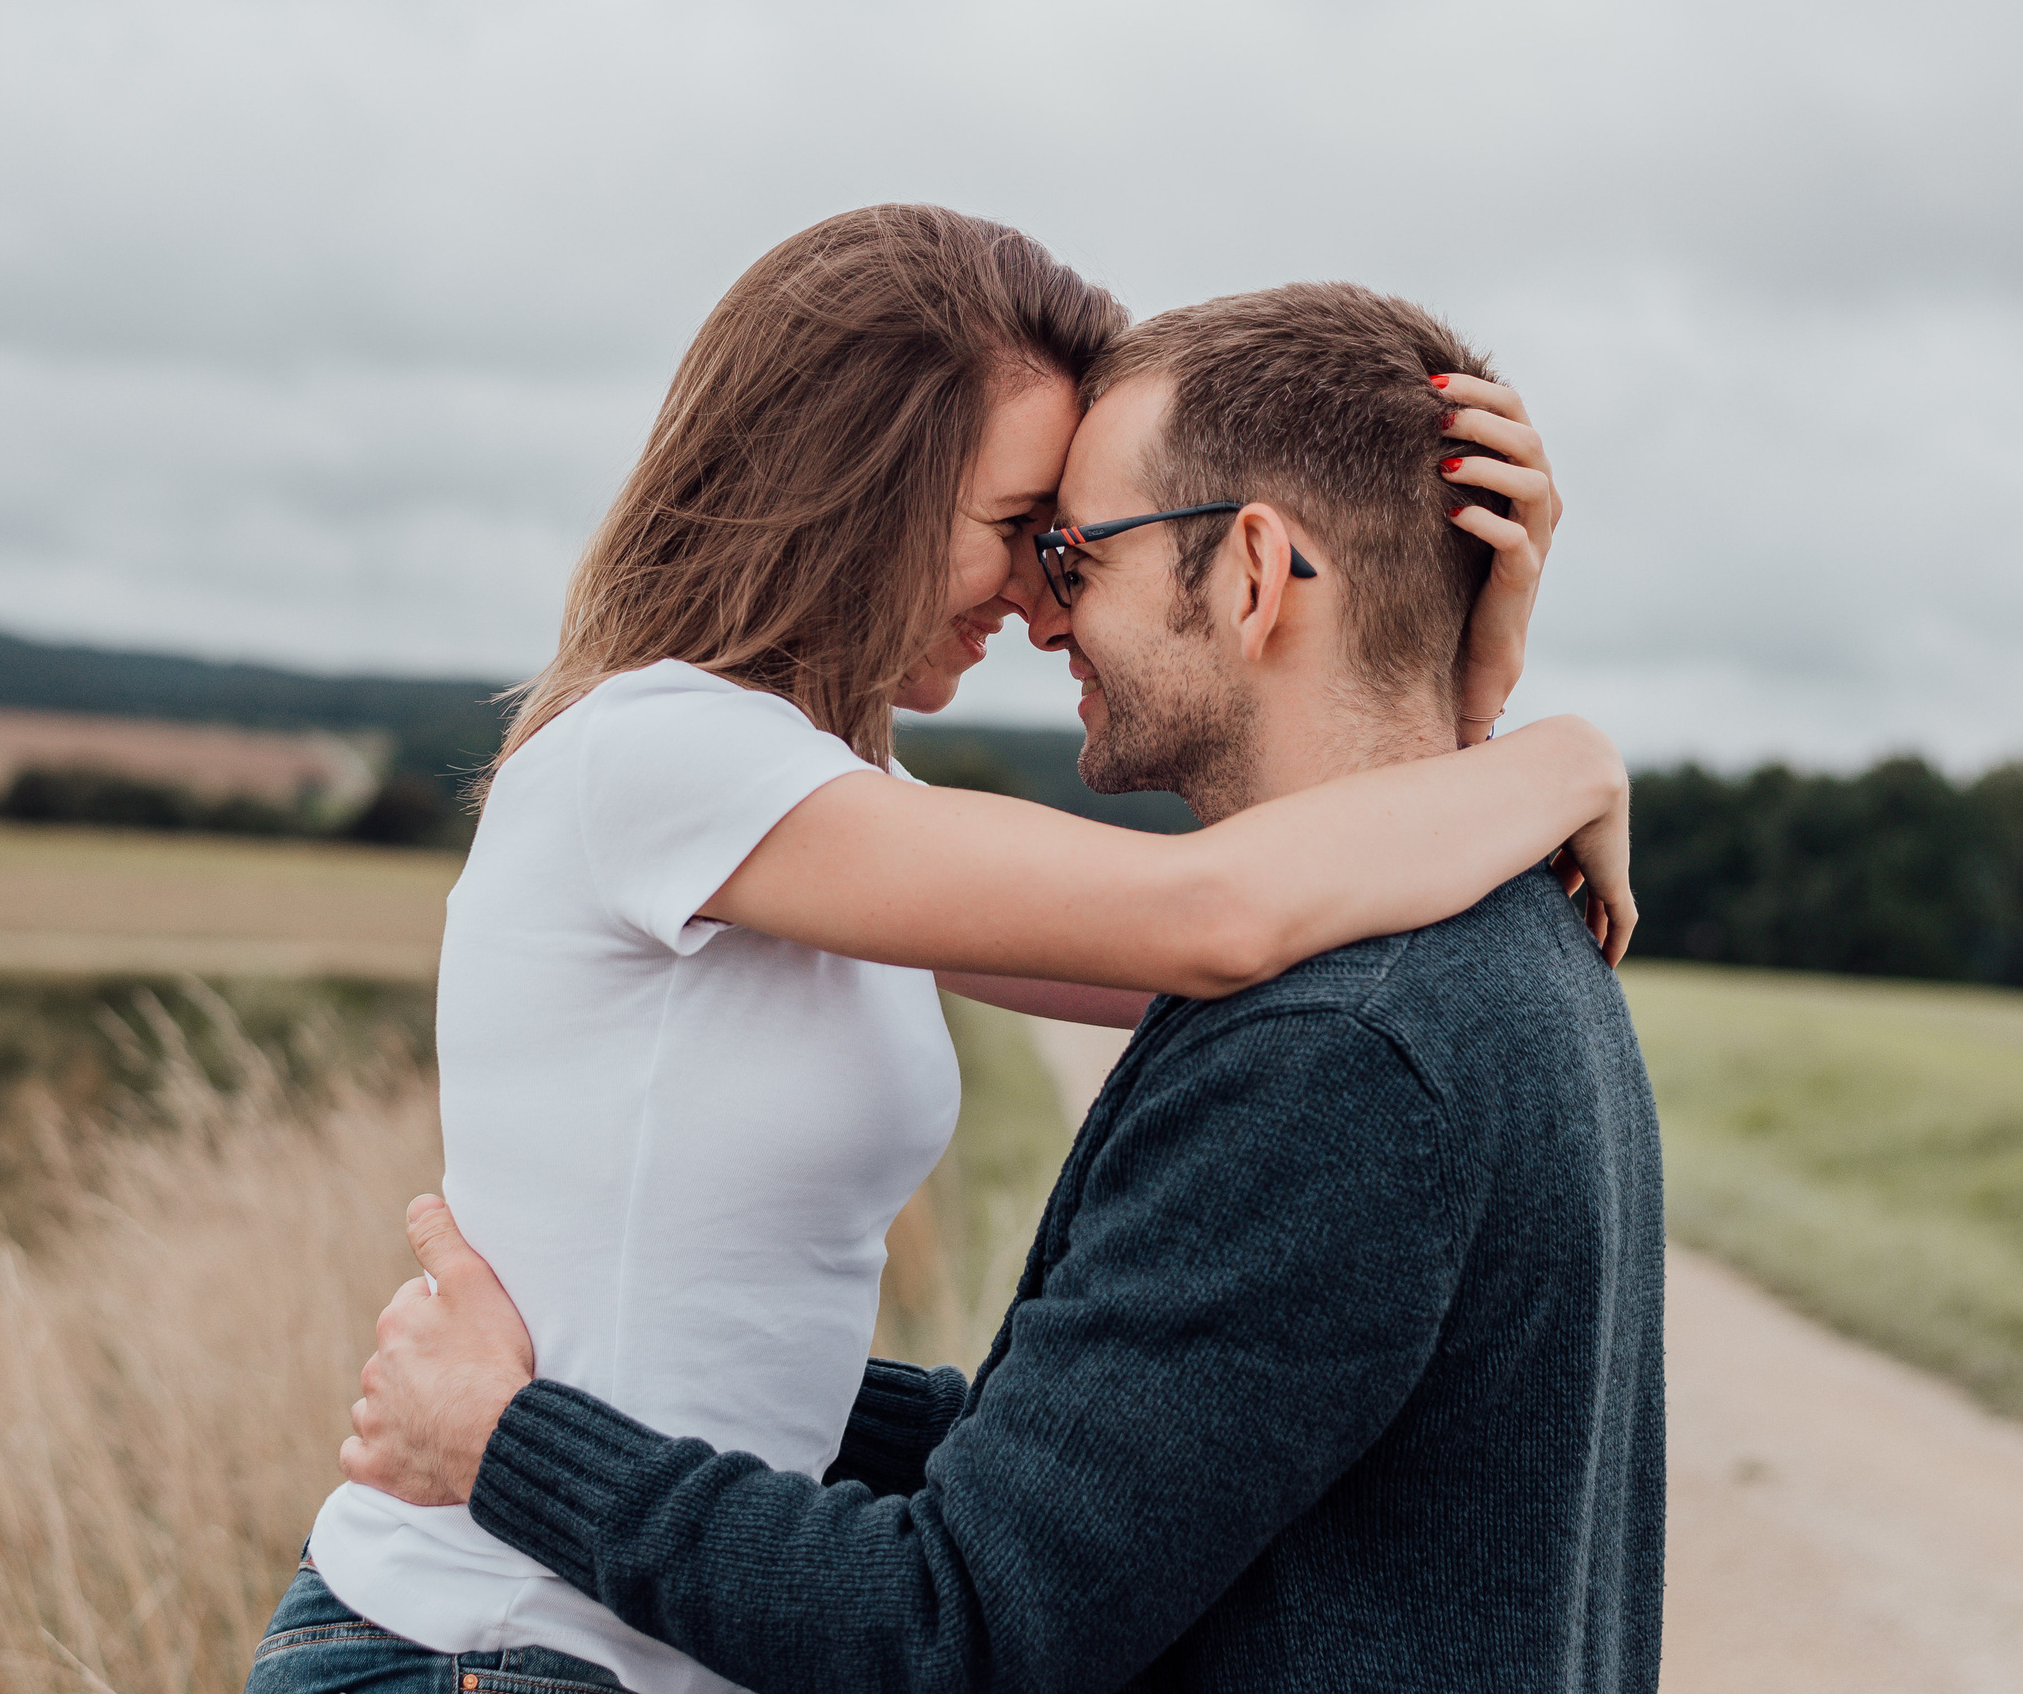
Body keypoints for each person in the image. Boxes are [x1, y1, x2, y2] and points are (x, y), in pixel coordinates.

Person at [247, 210, 1633, 1694]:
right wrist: (1552, 757)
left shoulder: (841, 806)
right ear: (857, 490)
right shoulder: (663, 759)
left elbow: (1269, 964)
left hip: (620, 1634)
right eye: (1021, 529)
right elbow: (1218, 918)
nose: (1044, 602)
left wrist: (1449, 683)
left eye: (1071, 545)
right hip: (489, 1642)